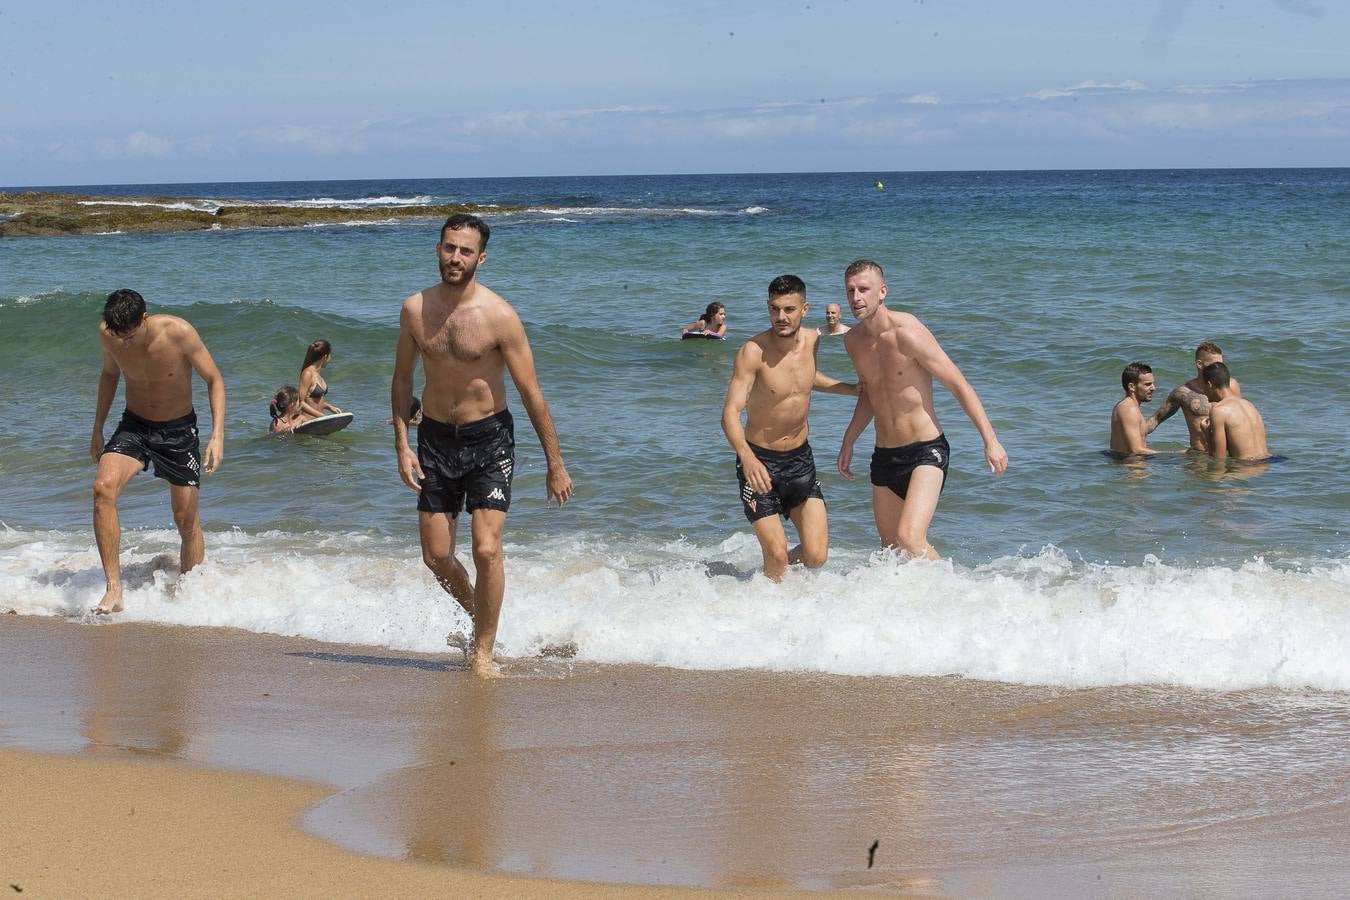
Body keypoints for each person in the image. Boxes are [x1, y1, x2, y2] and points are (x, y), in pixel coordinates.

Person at [392, 213, 573, 678]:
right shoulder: (415, 309)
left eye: (465, 251)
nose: (456, 257)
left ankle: (484, 653)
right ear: (438, 249)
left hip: (489, 438)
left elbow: (532, 393)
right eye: (449, 247)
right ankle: (480, 616)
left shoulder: (499, 316)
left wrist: (555, 463)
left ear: (481, 258)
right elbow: (401, 380)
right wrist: (402, 443)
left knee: (487, 550)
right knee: (435, 557)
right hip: (433, 439)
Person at [836, 260, 1007, 559]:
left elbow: (959, 385)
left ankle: (955, 594)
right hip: (885, 455)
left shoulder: (908, 333)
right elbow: (870, 394)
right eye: (850, 291)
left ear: (883, 292)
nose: (856, 298)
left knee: (910, 539)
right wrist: (849, 440)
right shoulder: (853, 341)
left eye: (864, 289)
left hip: (925, 451)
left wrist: (990, 441)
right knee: (891, 552)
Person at [89, 288, 226, 614]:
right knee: (102, 488)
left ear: (145, 318)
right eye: (119, 336)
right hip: (134, 425)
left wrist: (217, 434)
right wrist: (97, 427)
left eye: (131, 335)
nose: (125, 343)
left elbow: (214, 379)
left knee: (185, 521)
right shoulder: (109, 334)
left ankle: (190, 595)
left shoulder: (179, 332)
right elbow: (110, 374)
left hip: (179, 430)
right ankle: (114, 589)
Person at [721, 275, 858, 581]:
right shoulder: (752, 352)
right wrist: (747, 457)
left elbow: (803, 381)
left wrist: (851, 389)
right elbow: (730, 413)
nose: (780, 317)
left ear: (804, 309)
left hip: (800, 461)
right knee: (779, 555)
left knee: (816, 556)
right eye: (774, 309)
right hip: (759, 463)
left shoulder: (812, 340)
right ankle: (767, 604)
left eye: (789, 309)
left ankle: (765, 577)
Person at [1146, 341, 1240, 451]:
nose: (1218, 368)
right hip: (1199, 457)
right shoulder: (1183, 392)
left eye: (1221, 365)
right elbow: (1156, 419)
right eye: (1214, 365)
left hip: (1227, 454)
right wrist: (1131, 434)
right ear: (1199, 364)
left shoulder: (1231, 386)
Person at [1201, 362, 1269, 461]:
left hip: (1246, 467)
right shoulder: (1249, 405)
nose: (1203, 391)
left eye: (1203, 386)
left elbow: (1219, 458)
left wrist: (1207, 432)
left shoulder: (1219, 411)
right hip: (1268, 462)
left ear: (1209, 384)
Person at [1109, 362, 1159, 457]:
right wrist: (1176, 454)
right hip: (1130, 468)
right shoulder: (1129, 409)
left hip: (1128, 467)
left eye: (1153, 383)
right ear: (1132, 387)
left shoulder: (1128, 406)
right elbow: (1136, 450)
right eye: (1148, 384)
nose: (1153, 388)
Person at [297, 339, 342, 417]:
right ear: (325, 357)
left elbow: (316, 401)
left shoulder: (318, 375)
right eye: (330, 355)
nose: (330, 359)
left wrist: (329, 407)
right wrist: (321, 416)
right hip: (308, 422)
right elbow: (300, 402)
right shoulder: (307, 373)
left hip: (318, 423)